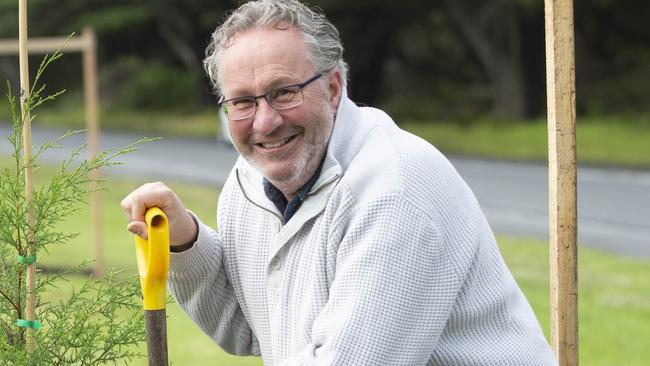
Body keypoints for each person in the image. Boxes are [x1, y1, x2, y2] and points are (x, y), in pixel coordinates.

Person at [121, 0, 558, 364]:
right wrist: (185, 244)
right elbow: (251, 329)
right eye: (242, 102)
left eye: (283, 92)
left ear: (333, 88)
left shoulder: (396, 189)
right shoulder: (249, 181)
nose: (266, 122)